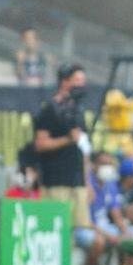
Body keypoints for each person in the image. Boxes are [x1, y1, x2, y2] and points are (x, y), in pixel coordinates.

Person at [34, 64, 92, 245]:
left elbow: (84, 148)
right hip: (57, 181)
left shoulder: (79, 110)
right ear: (65, 82)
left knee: (82, 234)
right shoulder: (50, 109)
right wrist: (67, 139)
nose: (81, 85)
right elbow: (41, 144)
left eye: (83, 81)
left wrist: (88, 181)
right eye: (77, 80)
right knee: (58, 232)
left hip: (77, 181)